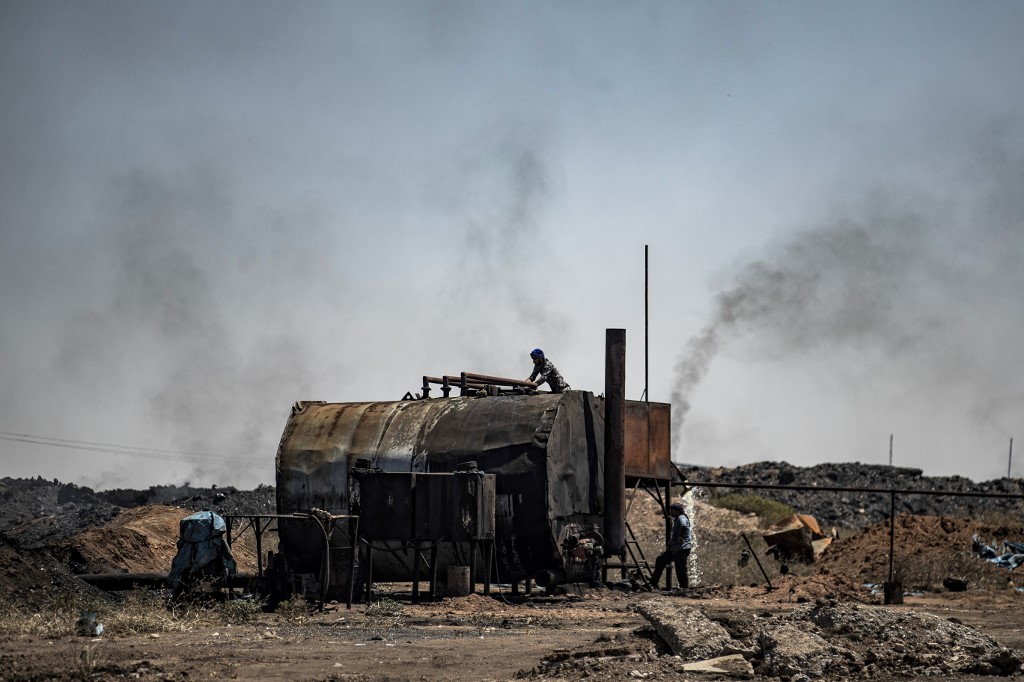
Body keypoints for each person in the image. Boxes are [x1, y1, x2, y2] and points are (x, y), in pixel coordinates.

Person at [649, 501, 692, 590]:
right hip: (675, 549)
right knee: (660, 560)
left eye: (672, 510)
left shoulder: (681, 517)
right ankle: (653, 583)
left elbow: (683, 526)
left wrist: (681, 536)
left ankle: (684, 589)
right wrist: (669, 546)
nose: (670, 512)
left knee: (680, 569)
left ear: (676, 511)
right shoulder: (677, 519)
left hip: (682, 548)